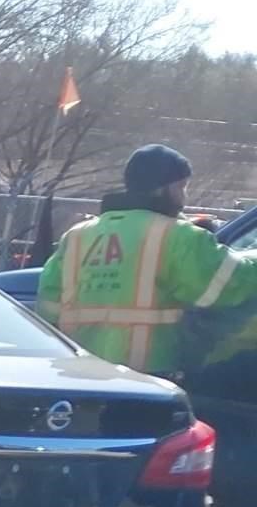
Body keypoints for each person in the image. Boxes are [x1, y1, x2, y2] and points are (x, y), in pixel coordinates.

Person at [34, 144, 257, 375]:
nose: (184, 196)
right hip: (147, 378)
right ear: (163, 188)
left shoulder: (77, 235)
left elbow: (48, 307)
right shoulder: (179, 236)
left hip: (79, 375)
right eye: (181, 186)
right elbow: (230, 285)